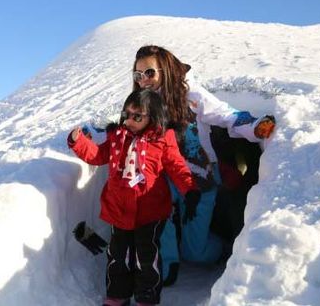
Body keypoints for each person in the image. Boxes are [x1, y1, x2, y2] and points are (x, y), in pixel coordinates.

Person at [131, 45, 276, 285]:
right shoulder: (139, 104)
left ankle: (226, 247)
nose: (144, 80)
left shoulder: (191, 97)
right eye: (138, 75)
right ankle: (165, 265)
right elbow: (121, 132)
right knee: (158, 217)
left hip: (198, 179)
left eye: (149, 73)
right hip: (162, 179)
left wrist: (255, 126)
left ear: (165, 70)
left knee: (196, 253)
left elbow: (226, 115)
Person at [68, 89, 200, 306]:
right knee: (118, 256)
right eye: (126, 114)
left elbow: (177, 166)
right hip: (118, 209)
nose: (129, 120)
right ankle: (117, 296)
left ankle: (146, 297)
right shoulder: (116, 137)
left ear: (153, 116)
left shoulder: (163, 139)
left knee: (146, 257)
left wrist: (190, 190)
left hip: (150, 211)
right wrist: (78, 142)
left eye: (137, 116)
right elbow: (98, 155)